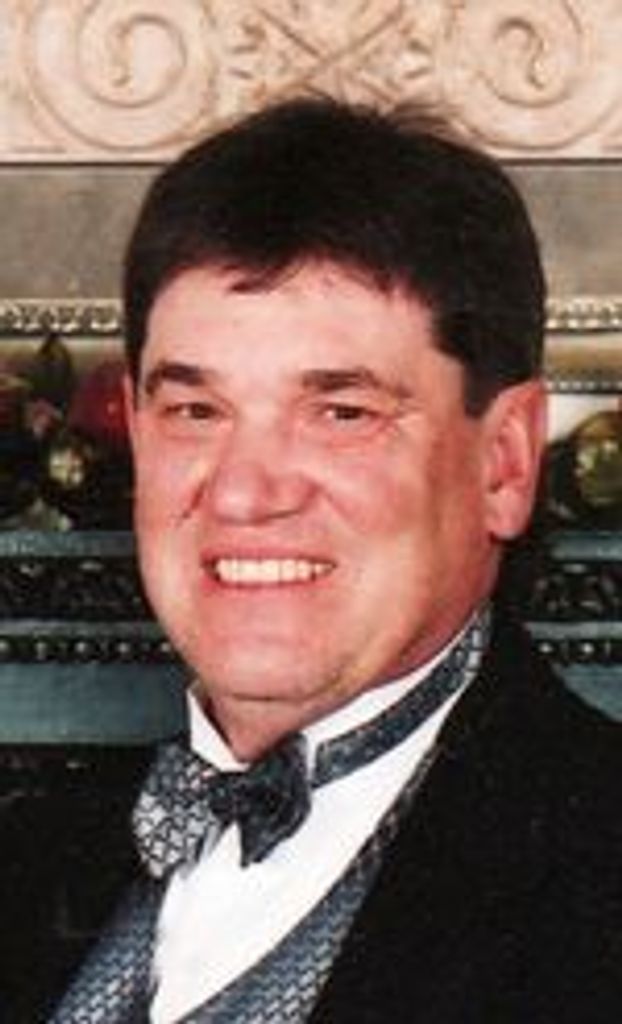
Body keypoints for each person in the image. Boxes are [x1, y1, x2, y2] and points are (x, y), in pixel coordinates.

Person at [48, 97, 619, 1022]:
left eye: (341, 413)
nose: (243, 493)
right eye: (196, 411)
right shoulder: (34, 849)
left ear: (504, 463)